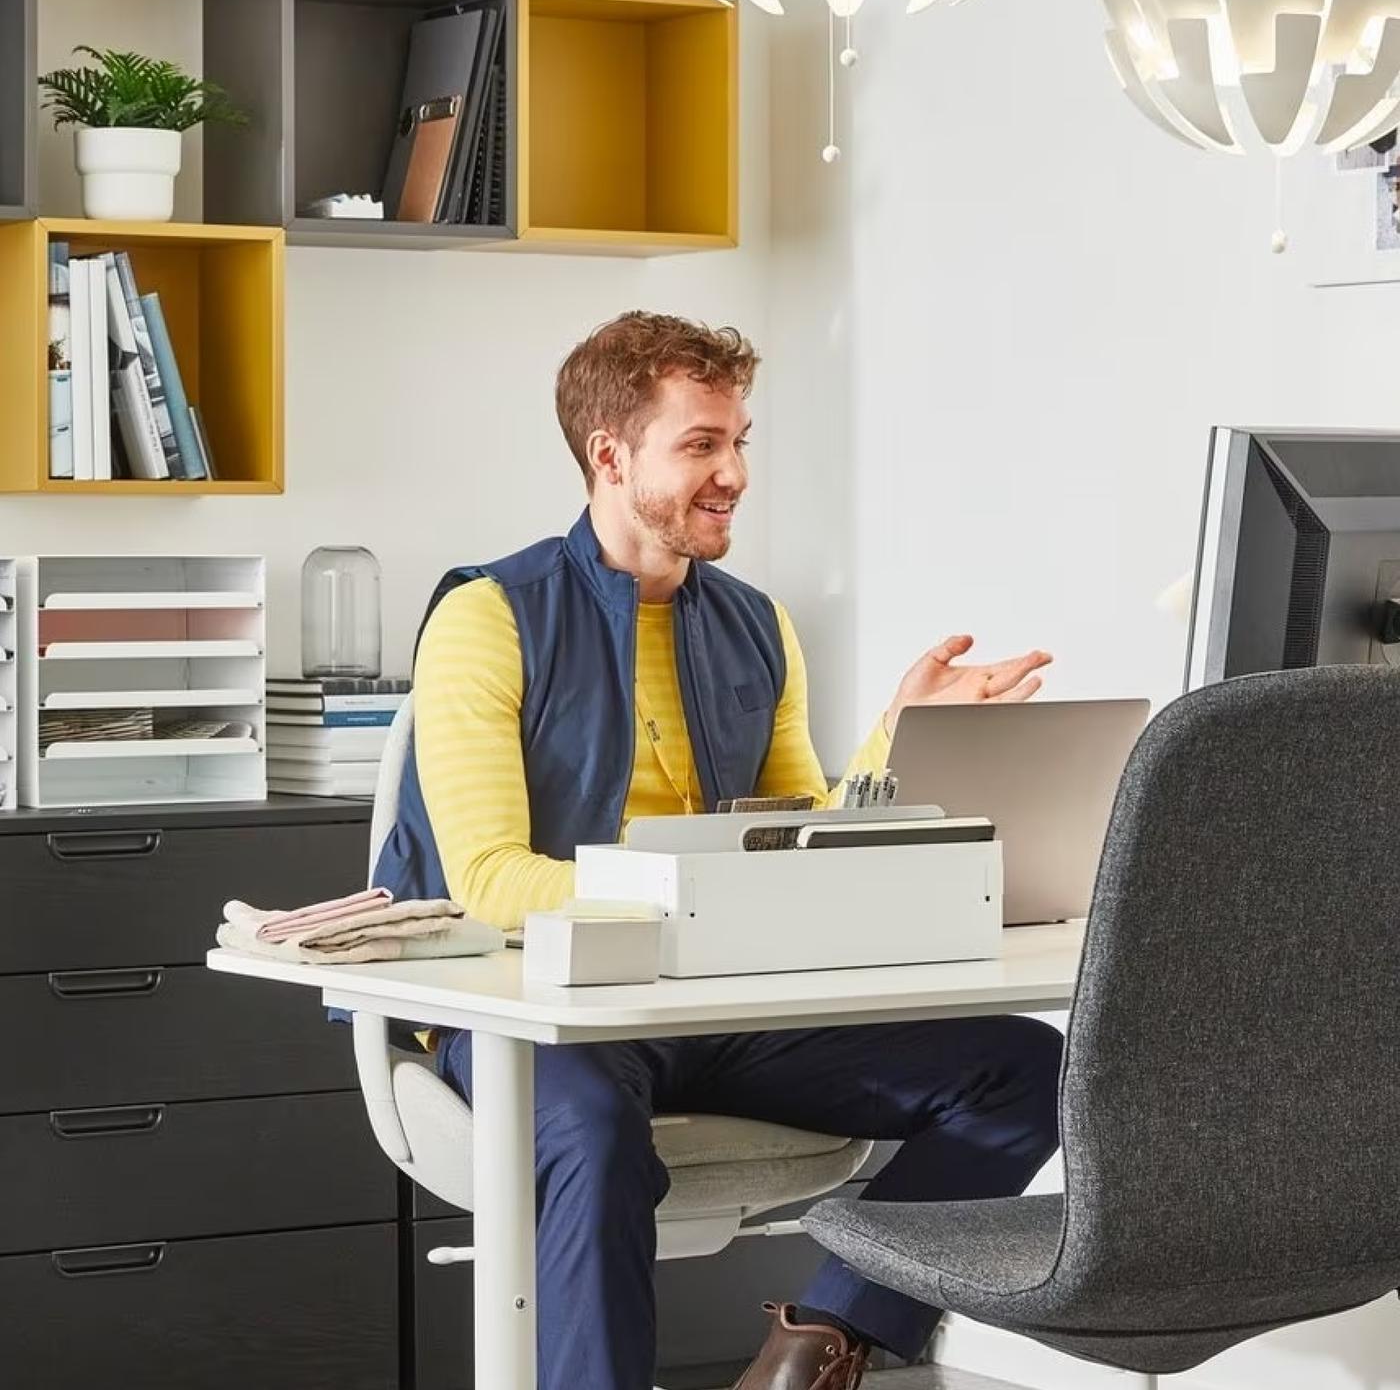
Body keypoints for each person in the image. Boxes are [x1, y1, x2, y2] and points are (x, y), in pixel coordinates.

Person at [375, 312, 1063, 1390]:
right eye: (700, 444)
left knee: (1025, 1067)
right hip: (540, 1008)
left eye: (739, 440)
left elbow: (788, 837)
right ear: (611, 453)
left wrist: (900, 735)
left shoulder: (755, 622)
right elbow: (493, 880)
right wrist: (702, 899)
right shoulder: (488, 615)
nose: (734, 472)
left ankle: (820, 1341)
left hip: (713, 1003)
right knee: (595, 1133)